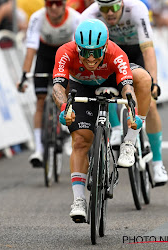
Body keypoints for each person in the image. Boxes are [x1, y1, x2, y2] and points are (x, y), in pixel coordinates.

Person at [52, 19, 151, 222]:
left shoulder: (116, 53)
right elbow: (58, 87)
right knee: (80, 141)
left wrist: (131, 109)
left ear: (105, 47)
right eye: (84, 52)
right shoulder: (65, 51)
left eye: (96, 52)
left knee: (144, 79)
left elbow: (127, 87)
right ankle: (79, 201)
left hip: (110, 79)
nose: (90, 58)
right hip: (81, 85)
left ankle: (129, 143)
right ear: (77, 47)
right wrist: (64, 108)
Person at [80, 0, 168, 186]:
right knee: (107, 93)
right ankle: (117, 128)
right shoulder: (89, 16)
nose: (109, 13)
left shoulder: (137, 9)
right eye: (104, 9)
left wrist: (154, 82)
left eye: (113, 8)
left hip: (137, 51)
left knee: (150, 103)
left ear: (121, 3)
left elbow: (148, 49)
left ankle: (158, 164)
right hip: (110, 54)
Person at [17, 0, 80, 168]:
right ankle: (38, 148)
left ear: (64, 5)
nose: (53, 7)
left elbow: (78, 50)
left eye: (57, 3)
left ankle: (66, 129)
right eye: (49, 3)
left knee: (66, 94)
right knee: (40, 101)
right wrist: (24, 76)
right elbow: (31, 48)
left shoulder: (75, 18)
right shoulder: (37, 18)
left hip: (66, 54)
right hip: (45, 55)